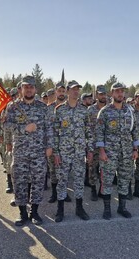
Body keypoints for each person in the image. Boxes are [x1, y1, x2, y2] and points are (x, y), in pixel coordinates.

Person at [4, 75, 53, 226]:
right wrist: (23, 128)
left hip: (38, 151)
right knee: (19, 181)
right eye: (26, 87)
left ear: (35, 89)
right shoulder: (13, 106)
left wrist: (49, 146)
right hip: (20, 151)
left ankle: (35, 212)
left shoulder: (42, 107)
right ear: (21, 89)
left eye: (32, 87)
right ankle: (22, 213)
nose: (29, 89)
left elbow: (48, 128)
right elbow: (6, 126)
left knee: (38, 181)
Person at [96, 82, 139, 220]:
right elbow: (99, 133)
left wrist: (135, 148)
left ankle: (122, 207)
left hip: (126, 153)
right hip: (109, 153)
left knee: (124, 180)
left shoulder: (130, 111)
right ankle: (107, 209)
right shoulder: (104, 112)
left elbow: (135, 131)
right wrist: (102, 151)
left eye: (122, 91)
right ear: (112, 94)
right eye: (117, 91)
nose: (120, 94)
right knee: (107, 181)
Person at [53, 80, 93, 222]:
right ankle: (60, 209)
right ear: (68, 91)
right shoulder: (59, 110)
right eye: (74, 89)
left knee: (79, 180)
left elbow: (88, 131)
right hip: (64, 152)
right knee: (62, 180)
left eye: (78, 89)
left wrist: (90, 150)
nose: (76, 92)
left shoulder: (84, 110)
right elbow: (55, 133)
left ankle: (79, 208)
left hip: (79, 152)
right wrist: (56, 153)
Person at [46, 82, 71, 203]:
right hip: (52, 144)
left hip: (67, 146)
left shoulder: (69, 108)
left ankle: (64, 193)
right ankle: (54, 193)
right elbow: (46, 127)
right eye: (59, 91)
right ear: (55, 92)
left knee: (65, 171)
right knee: (53, 170)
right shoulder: (49, 108)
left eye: (63, 91)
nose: (61, 93)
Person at [87, 85, 107, 200]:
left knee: (105, 168)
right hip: (93, 144)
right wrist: (88, 146)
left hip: (107, 145)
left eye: (104, 94)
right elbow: (88, 129)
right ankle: (93, 189)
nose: (103, 96)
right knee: (92, 168)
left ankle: (102, 189)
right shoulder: (91, 110)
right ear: (96, 95)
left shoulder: (109, 109)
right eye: (100, 94)